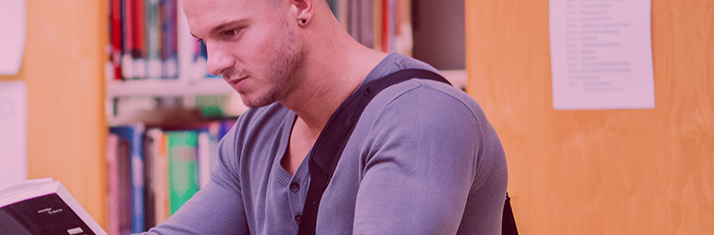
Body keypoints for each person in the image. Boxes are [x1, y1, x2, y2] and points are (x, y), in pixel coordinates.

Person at [138, 0, 509, 234]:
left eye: (231, 32)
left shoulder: (422, 117)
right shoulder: (257, 130)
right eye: (204, 41)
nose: (214, 63)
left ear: (301, 5)